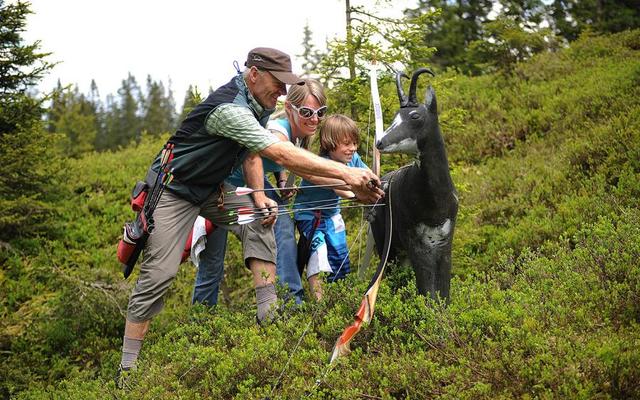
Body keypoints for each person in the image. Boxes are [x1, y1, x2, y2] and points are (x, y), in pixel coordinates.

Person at [117, 47, 383, 380]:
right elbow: (273, 151)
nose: (283, 92)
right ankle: (126, 371)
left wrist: (260, 195)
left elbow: (251, 155)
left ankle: (269, 318)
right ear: (254, 74)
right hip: (175, 190)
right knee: (159, 275)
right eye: (278, 83)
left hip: (214, 190)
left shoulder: (259, 103)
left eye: (287, 86)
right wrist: (346, 174)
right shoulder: (230, 109)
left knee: (259, 218)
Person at [192, 79, 327, 305]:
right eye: (306, 112)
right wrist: (349, 181)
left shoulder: (300, 134)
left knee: (281, 223)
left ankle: (287, 303)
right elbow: (254, 156)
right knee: (212, 262)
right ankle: (203, 326)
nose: (314, 119)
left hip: (252, 183)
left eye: (320, 112)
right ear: (289, 109)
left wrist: (282, 181)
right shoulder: (277, 133)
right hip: (221, 186)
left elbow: (276, 162)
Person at [294, 114, 371, 300]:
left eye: (354, 143)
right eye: (346, 144)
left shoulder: (353, 158)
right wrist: (359, 194)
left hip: (332, 215)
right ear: (330, 143)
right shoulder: (323, 164)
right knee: (318, 256)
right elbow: (341, 190)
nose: (352, 148)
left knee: (339, 257)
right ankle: (319, 305)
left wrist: (374, 183)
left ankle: (339, 302)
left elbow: (368, 174)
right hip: (309, 216)